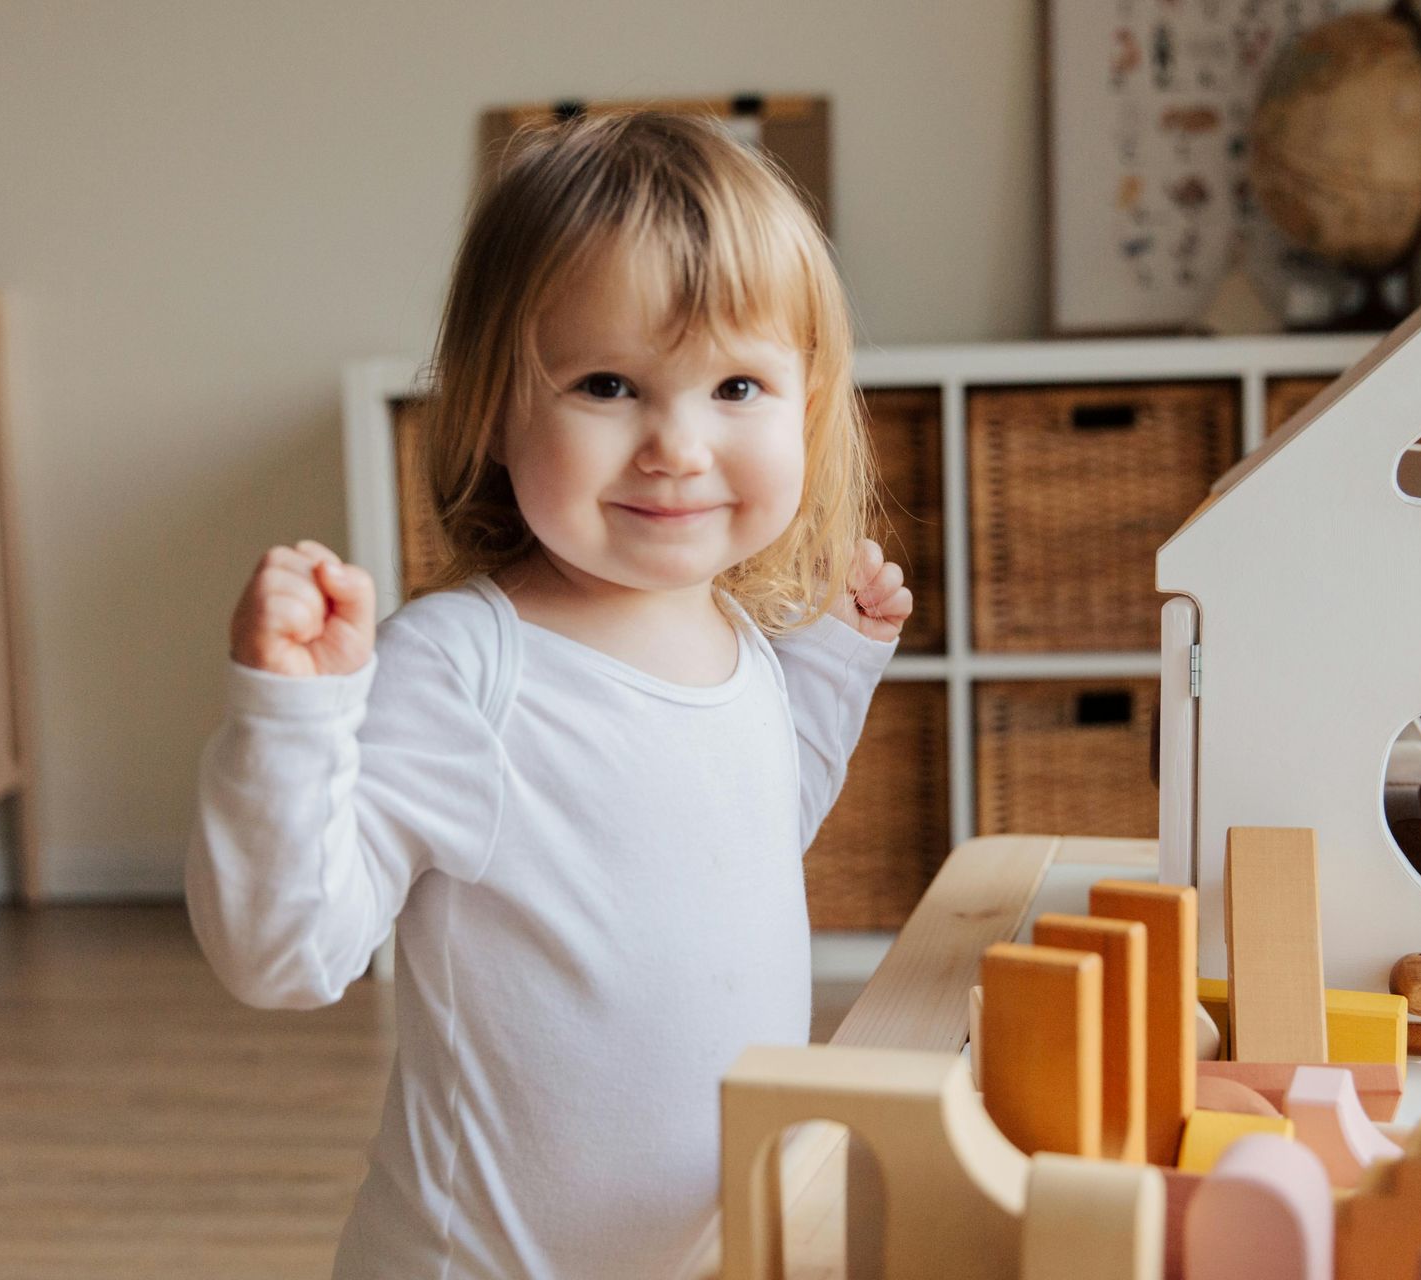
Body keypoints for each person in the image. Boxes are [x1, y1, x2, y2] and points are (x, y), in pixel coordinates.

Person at [186, 110, 913, 1279]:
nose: (677, 443)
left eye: (735, 384)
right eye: (609, 383)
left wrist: (829, 666)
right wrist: (290, 723)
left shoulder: (740, 641)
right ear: (496, 408)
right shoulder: (464, 668)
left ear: (809, 409)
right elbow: (287, 950)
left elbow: (753, 838)